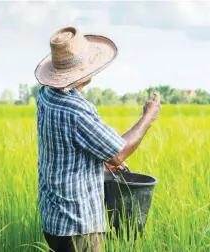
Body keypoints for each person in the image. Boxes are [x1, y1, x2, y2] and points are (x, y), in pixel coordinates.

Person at [34, 27, 161, 252]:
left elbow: (64, 144)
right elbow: (118, 153)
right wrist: (148, 117)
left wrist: (98, 159)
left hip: (54, 221)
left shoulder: (45, 95)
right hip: (78, 226)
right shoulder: (76, 110)